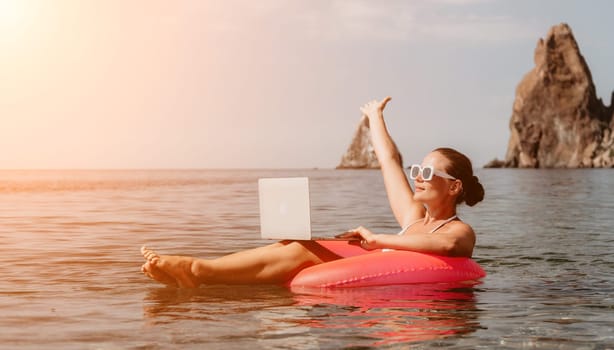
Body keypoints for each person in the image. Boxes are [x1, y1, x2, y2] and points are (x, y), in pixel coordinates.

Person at [140, 96, 485, 288]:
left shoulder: (459, 231)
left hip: (412, 306)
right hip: (380, 268)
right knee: (296, 244)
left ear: (453, 186)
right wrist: (375, 116)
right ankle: (198, 270)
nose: (417, 177)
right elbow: (389, 160)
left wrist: (378, 240)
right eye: (417, 170)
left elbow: (448, 247)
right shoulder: (412, 217)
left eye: (427, 172)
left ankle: (198, 272)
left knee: (302, 255)